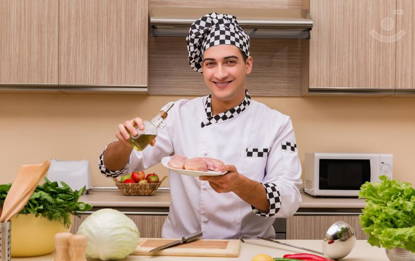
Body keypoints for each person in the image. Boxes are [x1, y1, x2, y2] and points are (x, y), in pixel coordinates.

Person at [99, 12, 302, 239]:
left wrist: (239, 184)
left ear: (248, 65)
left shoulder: (276, 124)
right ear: (202, 69)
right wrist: (125, 143)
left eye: (230, 62)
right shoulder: (177, 114)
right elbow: (115, 167)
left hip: (249, 251)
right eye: (210, 64)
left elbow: (289, 198)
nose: (220, 73)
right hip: (183, 247)